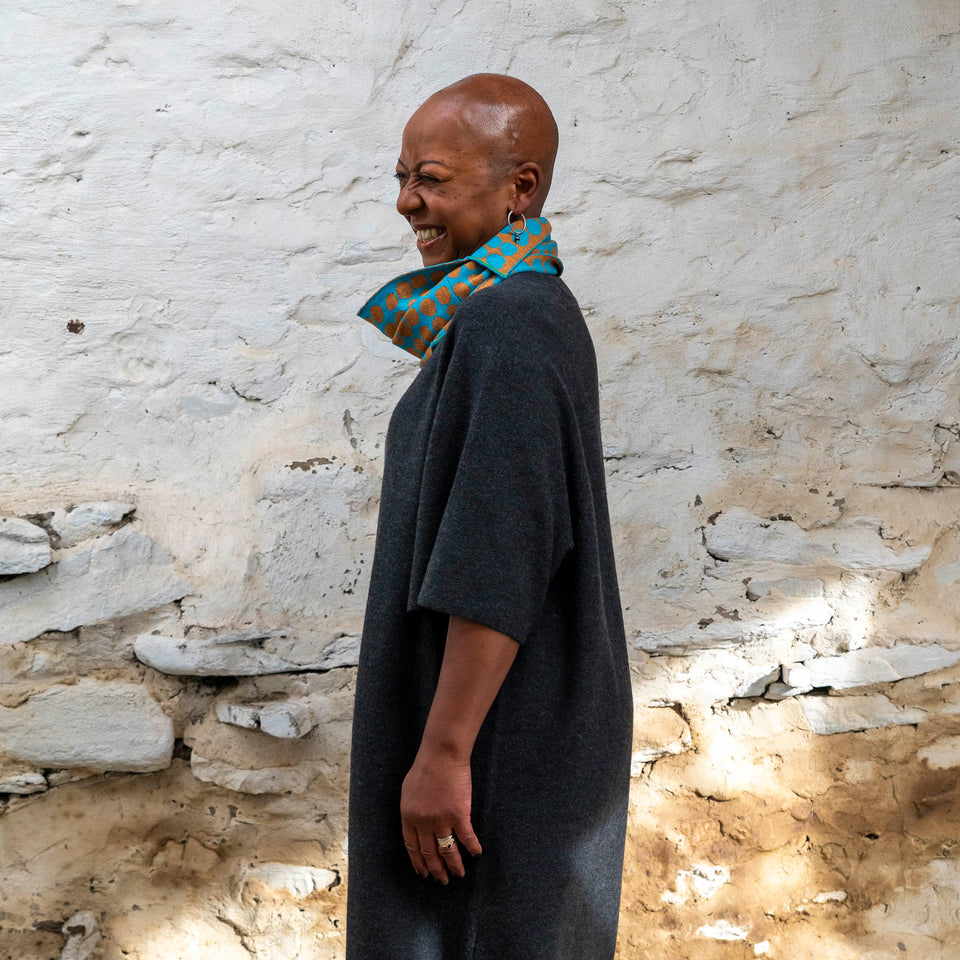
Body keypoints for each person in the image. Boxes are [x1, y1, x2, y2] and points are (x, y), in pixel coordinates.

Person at [346, 73, 633, 960]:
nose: (407, 203)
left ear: (522, 189)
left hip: (498, 741)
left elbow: (501, 556)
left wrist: (443, 753)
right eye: (401, 177)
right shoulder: (507, 317)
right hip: (504, 727)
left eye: (429, 177)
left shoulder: (510, 323)